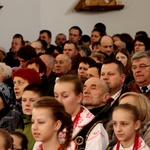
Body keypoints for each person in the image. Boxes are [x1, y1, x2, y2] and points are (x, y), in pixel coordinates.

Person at [54, 74, 109, 150]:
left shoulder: (94, 128)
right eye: (56, 96)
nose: (59, 101)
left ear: (79, 97)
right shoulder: (50, 120)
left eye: (65, 96)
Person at [16, 83, 45, 150]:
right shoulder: (17, 121)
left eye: (32, 100)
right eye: (24, 100)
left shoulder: (44, 126)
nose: (27, 104)